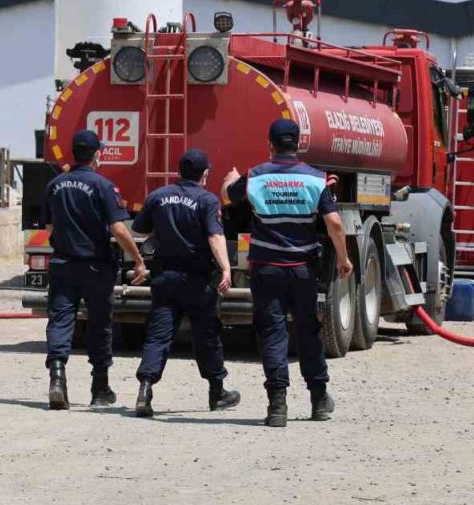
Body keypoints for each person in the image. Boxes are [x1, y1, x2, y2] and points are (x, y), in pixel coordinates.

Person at [223, 119, 351, 428]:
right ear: (298, 143)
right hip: (302, 270)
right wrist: (343, 259)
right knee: (308, 331)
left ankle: (277, 406)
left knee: (272, 334)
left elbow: (228, 199)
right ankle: (319, 400)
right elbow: (334, 225)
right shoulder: (315, 179)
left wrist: (229, 181)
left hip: (266, 269)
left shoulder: (255, 176)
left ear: (270, 144)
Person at [129, 149, 241, 417]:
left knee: (158, 336)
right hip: (196, 280)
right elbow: (215, 238)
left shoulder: (157, 196)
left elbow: (138, 229)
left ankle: (145, 389)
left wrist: (164, 227)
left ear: (179, 171)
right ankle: (217, 392)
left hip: (165, 278)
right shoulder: (207, 200)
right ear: (205, 174)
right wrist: (226, 268)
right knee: (206, 336)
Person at [42, 130, 147, 410]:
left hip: (63, 263)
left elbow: (50, 227)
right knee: (100, 325)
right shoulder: (103, 186)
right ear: (97, 154)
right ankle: (100, 388)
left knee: (60, 321)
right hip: (95, 266)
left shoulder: (54, 185)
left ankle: (57, 379)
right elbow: (118, 228)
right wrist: (137, 259)